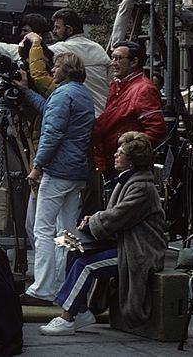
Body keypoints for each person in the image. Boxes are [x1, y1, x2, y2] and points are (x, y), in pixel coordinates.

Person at [39, 132, 166, 335]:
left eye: (121, 152)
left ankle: (67, 318)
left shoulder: (142, 187)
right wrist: (94, 220)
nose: (115, 155)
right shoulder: (127, 181)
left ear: (132, 161)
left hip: (139, 251)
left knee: (86, 266)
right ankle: (79, 311)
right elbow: (114, 216)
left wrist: (92, 220)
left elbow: (118, 216)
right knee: (75, 250)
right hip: (123, 244)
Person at [14, 51, 95, 305]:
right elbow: (50, 110)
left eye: (57, 66)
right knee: (66, 230)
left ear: (67, 69)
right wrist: (27, 91)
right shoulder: (82, 93)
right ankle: (62, 283)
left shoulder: (63, 94)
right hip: (76, 170)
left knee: (43, 228)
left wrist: (37, 166)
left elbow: (51, 133)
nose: (52, 71)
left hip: (58, 170)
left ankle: (42, 288)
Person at [92, 41, 166, 179]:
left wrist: (129, 154)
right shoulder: (117, 85)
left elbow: (157, 130)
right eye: (113, 58)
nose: (113, 63)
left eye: (119, 58)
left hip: (128, 168)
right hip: (116, 164)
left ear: (134, 62)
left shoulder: (144, 89)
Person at [48, 8, 110, 116]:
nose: (54, 32)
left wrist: (33, 40)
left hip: (83, 117)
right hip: (105, 114)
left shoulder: (61, 48)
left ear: (69, 30)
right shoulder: (98, 48)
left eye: (57, 27)